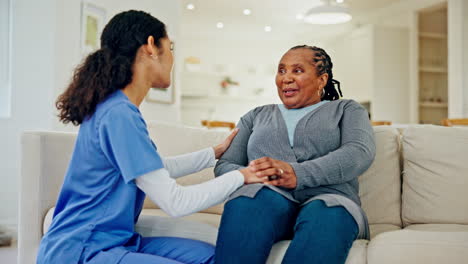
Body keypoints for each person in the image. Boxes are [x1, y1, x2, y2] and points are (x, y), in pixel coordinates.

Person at [36, 10, 264, 264]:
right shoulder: (118, 115)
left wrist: (213, 154)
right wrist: (242, 176)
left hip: (114, 242)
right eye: (171, 47)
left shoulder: (119, 109)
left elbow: (153, 170)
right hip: (81, 250)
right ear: (151, 46)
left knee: (216, 258)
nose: (173, 58)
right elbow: (175, 202)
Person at [214, 45, 376, 264]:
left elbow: (358, 152)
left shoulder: (347, 110)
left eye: (297, 71)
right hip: (266, 197)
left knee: (327, 216)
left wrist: (297, 173)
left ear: (322, 79)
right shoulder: (256, 116)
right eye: (281, 71)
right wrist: (259, 174)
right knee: (247, 202)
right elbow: (224, 165)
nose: (286, 78)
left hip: (330, 199)